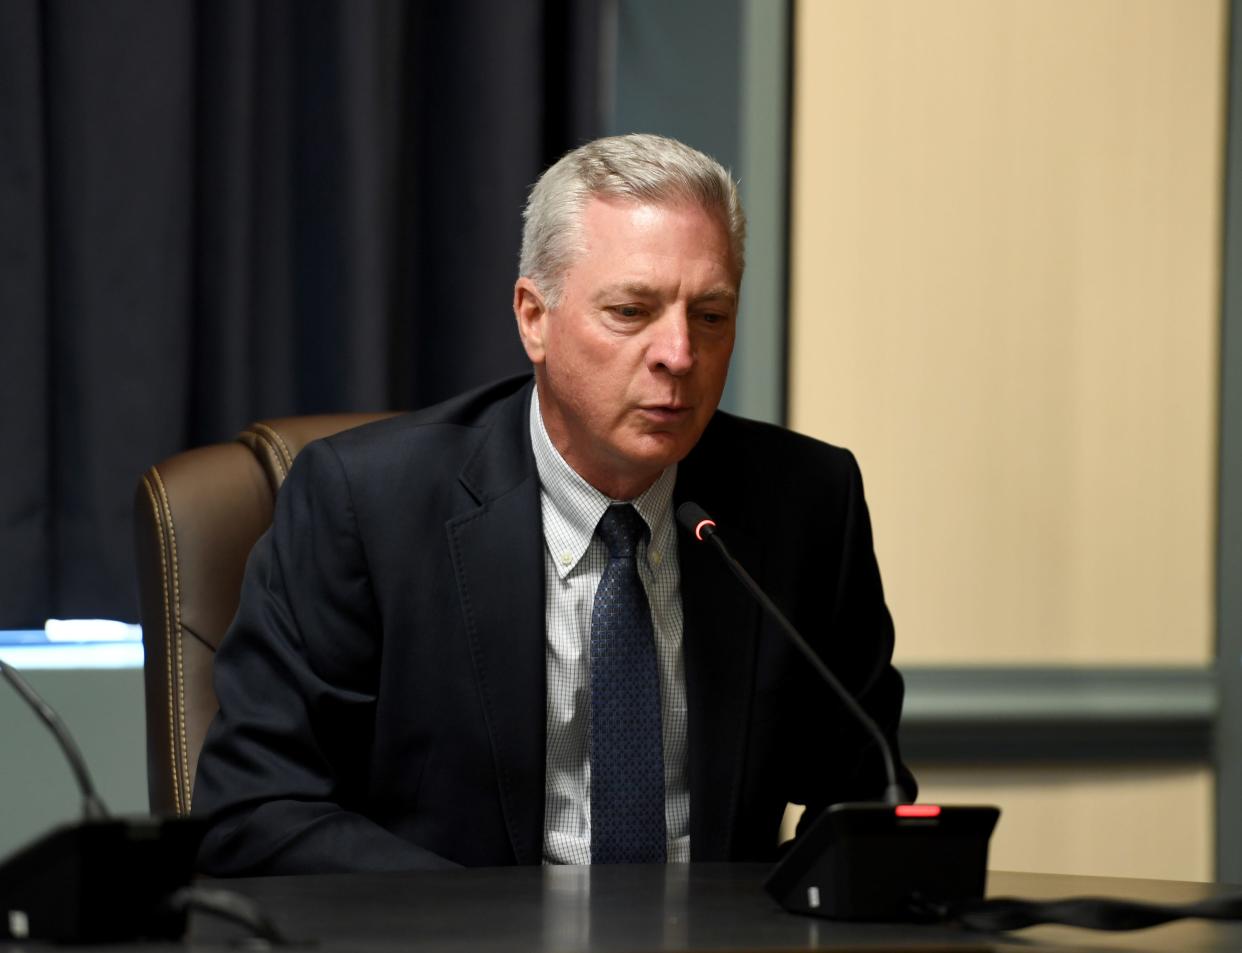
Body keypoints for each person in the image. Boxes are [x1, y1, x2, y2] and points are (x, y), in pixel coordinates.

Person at [192, 133, 915, 875]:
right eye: (632, 310)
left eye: (710, 316)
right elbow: (253, 808)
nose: (679, 354)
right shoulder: (366, 506)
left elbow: (865, 794)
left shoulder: (804, 503)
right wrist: (494, 928)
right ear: (534, 317)